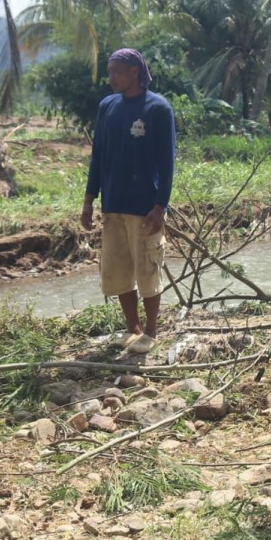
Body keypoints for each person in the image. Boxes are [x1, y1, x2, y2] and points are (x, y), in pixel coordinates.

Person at [81, 48, 175, 348]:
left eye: (116, 72)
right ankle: (131, 327)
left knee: (147, 269)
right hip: (113, 204)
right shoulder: (107, 107)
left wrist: (160, 206)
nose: (111, 79)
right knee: (118, 270)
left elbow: (167, 162)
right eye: (109, 73)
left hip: (145, 207)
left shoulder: (158, 109)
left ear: (135, 71)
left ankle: (150, 332)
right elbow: (97, 156)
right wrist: (89, 198)